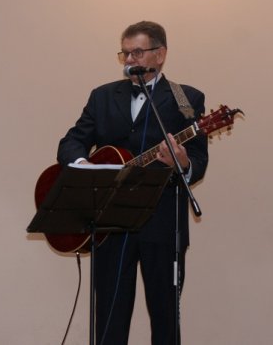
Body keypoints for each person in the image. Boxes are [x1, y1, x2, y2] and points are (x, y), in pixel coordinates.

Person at [57, 20, 208, 345]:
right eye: (124, 53)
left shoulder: (186, 98)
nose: (129, 60)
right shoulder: (102, 96)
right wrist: (85, 167)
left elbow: (198, 160)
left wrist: (182, 162)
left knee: (166, 321)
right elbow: (71, 142)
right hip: (111, 225)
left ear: (160, 54)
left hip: (163, 225)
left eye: (137, 53)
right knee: (109, 322)